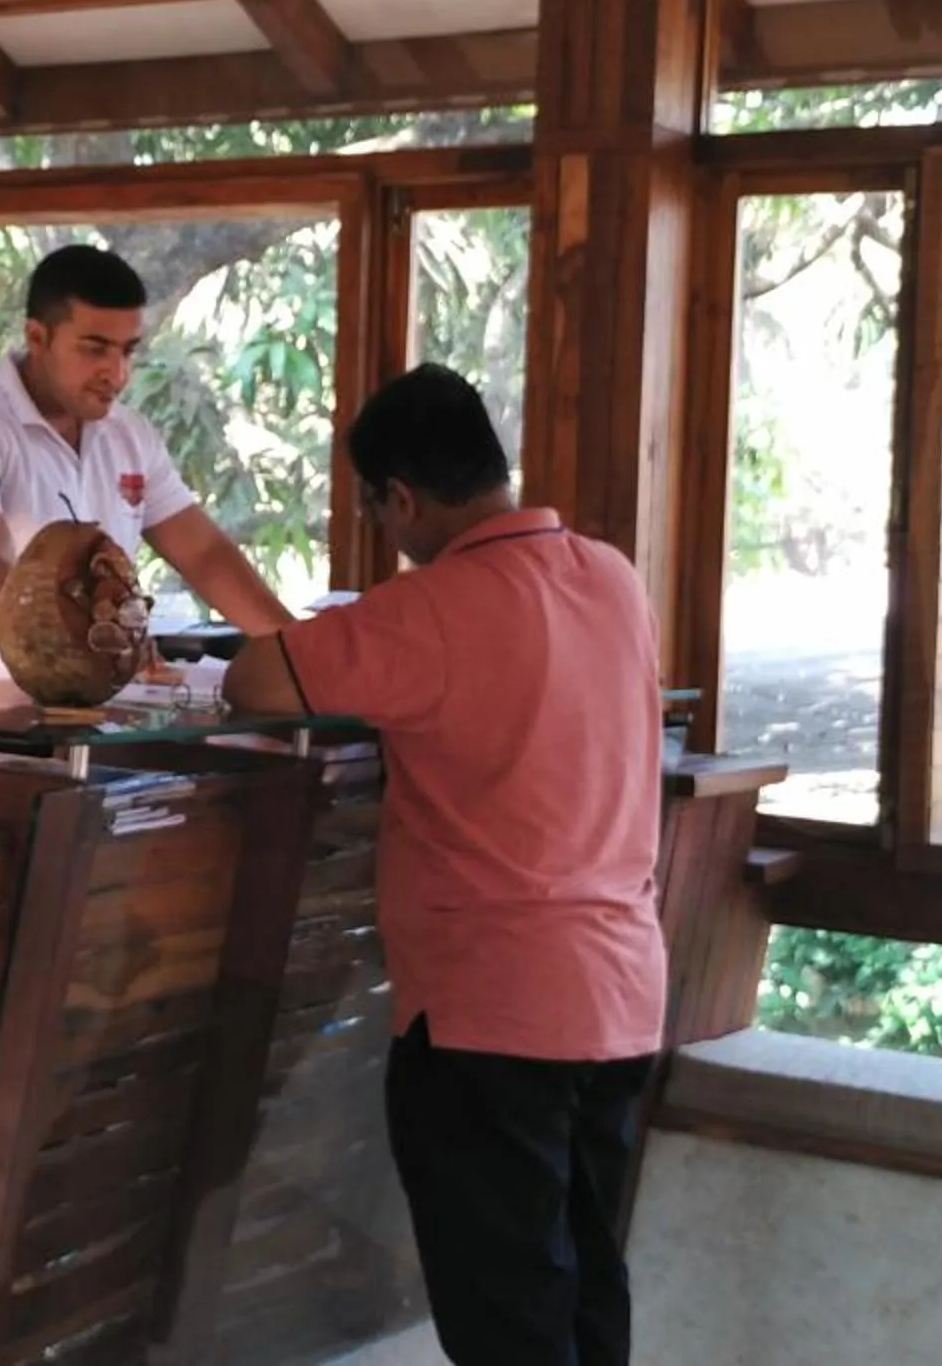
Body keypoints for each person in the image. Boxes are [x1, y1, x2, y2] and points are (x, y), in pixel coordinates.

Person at [222, 363, 667, 1366]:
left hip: (490, 1013)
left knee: (508, 1316)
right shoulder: (611, 575)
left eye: (377, 511)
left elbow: (255, 678)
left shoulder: (428, 609)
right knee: (588, 1283)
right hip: (620, 994)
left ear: (401, 498)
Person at [0, 244, 296, 705]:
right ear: (37, 337)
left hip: (93, 726)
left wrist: (305, 656)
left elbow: (203, 554)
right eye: (95, 349)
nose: (117, 374)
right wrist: (88, 660)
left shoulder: (130, 436)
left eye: (128, 351)